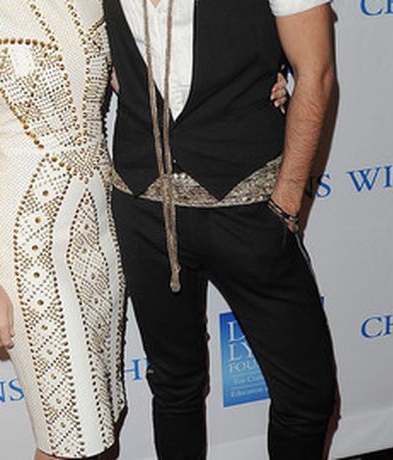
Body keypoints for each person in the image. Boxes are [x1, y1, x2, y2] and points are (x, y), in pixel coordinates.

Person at [0, 0, 289, 459]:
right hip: (26, 237)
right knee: (71, 437)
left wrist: (258, 81)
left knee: (99, 423)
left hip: (102, 228)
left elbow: (153, 78)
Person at [104, 1, 337, 459]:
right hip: (144, 210)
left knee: (308, 397)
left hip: (251, 209)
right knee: (175, 384)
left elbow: (317, 72)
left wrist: (287, 202)